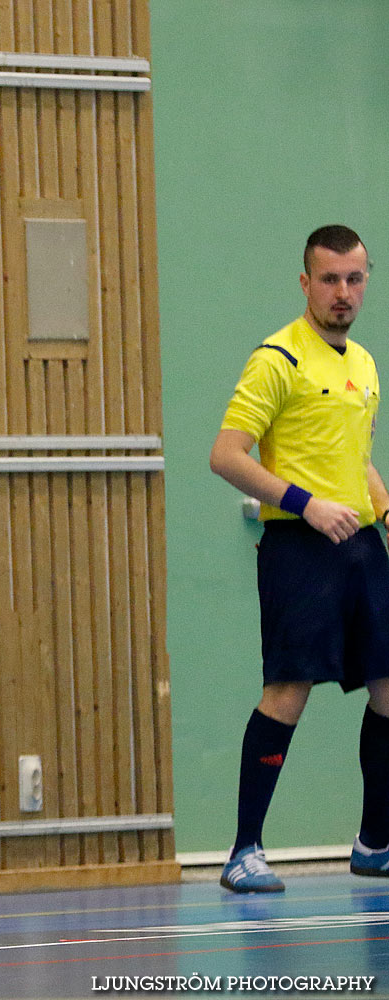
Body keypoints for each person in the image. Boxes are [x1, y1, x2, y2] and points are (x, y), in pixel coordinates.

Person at [209, 224, 389, 892]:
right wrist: (306, 503)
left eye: (356, 278)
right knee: (290, 690)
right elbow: (226, 455)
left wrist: (386, 514)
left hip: (362, 544)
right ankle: (243, 851)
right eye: (331, 279)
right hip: (300, 545)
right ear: (306, 282)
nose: (344, 293)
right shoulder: (277, 360)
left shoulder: (364, 364)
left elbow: (357, 459)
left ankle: (375, 842)